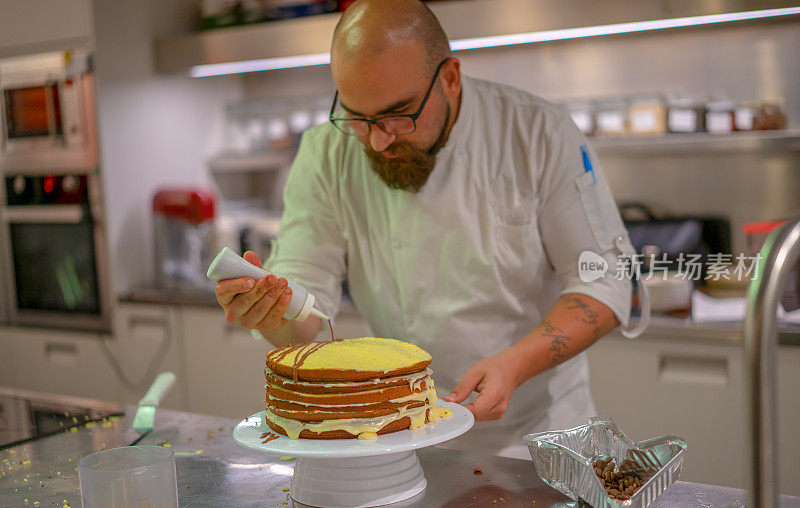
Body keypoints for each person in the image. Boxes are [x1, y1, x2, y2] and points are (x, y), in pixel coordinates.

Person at [214, 0, 643, 458]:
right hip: (398, 439)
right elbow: (308, 310)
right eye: (359, 117)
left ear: (450, 79)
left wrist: (514, 366)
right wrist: (272, 311)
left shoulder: (537, 133)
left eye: (399, 114)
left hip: (537, 440)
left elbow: (605, 278)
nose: (379, 140)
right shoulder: (326, 153)